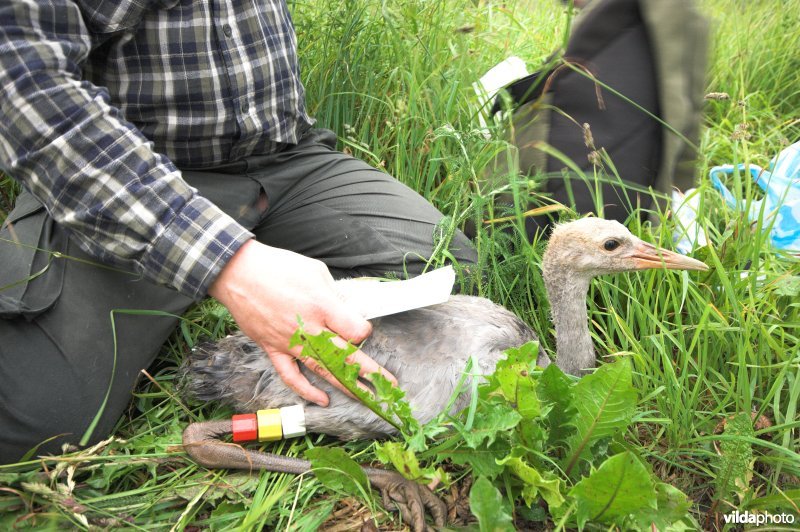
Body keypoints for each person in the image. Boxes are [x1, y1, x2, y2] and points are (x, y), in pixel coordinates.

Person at [0, 1, 476, 463]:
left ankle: (253, 297)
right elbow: (21, 87)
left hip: (286, 160)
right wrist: (227, 266)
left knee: (447, 275)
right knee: (38, 424)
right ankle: (213, 287)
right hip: (133, 178)